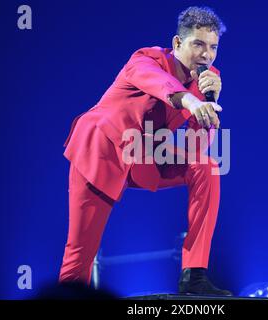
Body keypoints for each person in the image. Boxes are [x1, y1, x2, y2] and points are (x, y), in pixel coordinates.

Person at [59, 6, 231, 296]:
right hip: (103, 149)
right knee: (80, 253)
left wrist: (210, 106)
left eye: (213, 47)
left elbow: (196, 147)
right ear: (178, 44)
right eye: (198, 44)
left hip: (146, 155)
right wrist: (191, 101)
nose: (206, 54)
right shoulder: (146, 59)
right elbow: (159, 83)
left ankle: (194, 274)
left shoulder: (207, 79)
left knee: (207, 165)